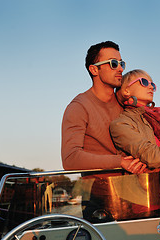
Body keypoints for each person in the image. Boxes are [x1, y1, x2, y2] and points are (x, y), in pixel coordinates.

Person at [61, 41, 146, 173]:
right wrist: (119, 162)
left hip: (138, 186)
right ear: (94, 69)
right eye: (113, 63)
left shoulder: (125, 103)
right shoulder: (79, 107)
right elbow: (70, 159)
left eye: (121, 63)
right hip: (102, 190)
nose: (120, 69)